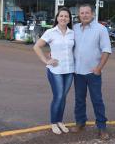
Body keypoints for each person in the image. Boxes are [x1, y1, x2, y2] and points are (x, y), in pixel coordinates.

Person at [71, 4, 112, 140]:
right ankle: (80, 122)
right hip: (77, 72)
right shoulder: (75, 28)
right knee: (79, 100)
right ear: (79, 15)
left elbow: (106, 50)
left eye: (87, 13)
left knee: (97, 100)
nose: (84, 15)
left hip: (93, 73)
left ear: (92, 14)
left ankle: (102, 127)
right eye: (82, 13)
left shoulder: (101, 29)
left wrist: (99, 68)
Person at [33, 7, 74, 135]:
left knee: (63, 97)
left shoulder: (72, 33)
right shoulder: (51, 32)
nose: (63, 18)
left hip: (69, 70)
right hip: (55, 70)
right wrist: (46, 60)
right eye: (61, 16)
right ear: (57, 18)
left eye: (66, 16)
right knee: (59, 96)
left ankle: (60, 121)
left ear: (69, 19)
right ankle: (53, 122)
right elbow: (37, 46)